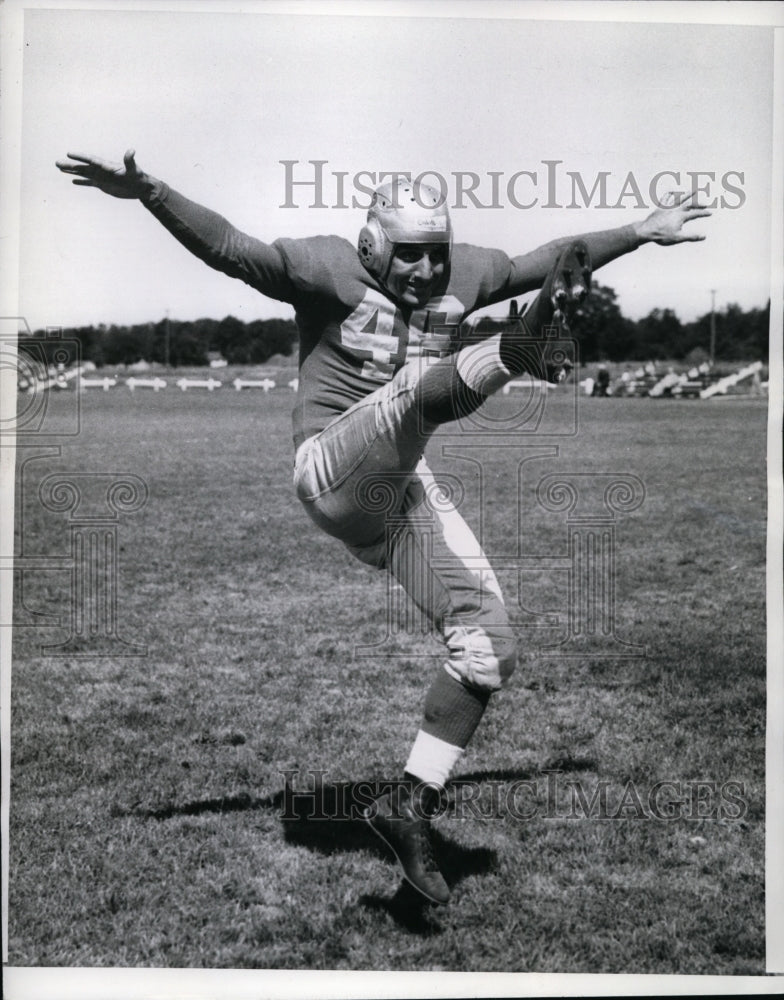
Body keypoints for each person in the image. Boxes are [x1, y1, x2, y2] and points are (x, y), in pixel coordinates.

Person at [56, 150, 710, 905]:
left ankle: (408, 805)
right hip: (331, 467)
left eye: (436, 256)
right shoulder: (328, 270)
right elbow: (231, 249)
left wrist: (641, 229)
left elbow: (553, 258)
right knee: (407, 391)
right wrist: (149, 190)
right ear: (371, 245)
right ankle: (520, 347)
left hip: (397, 482)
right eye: (411, 257)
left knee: (489, 644)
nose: (428, 273)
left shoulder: (465, 272)